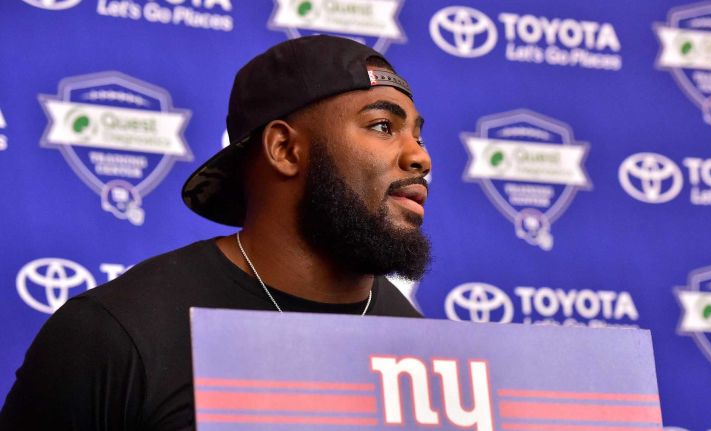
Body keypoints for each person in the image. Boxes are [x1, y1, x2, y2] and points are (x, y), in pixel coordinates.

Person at [0, 35, 431, 430]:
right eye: (382, 127)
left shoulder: (430, 352)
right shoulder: (115, 334)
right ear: (284, 149)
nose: (420, 157)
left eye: (418, 135)